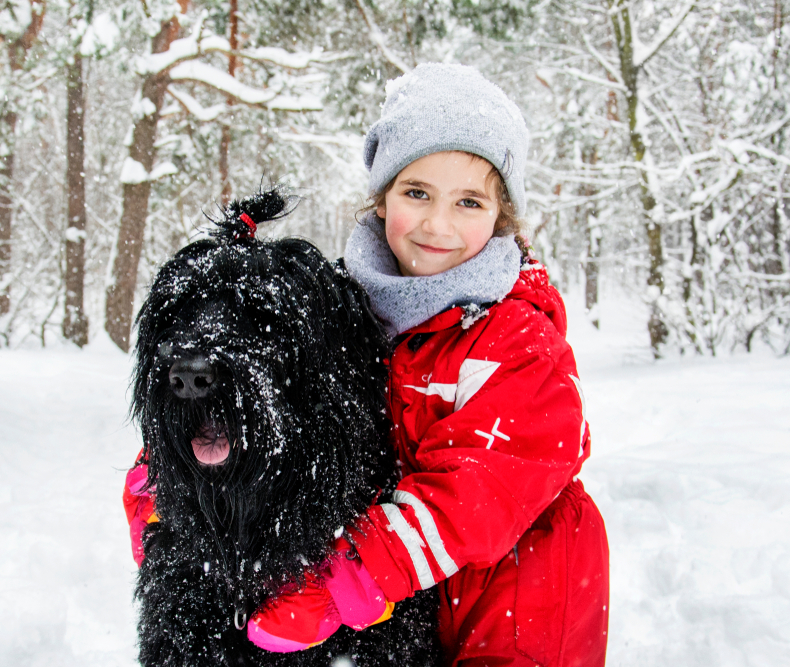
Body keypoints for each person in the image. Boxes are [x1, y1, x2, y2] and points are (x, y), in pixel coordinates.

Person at [244, 63, 609, 666]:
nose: (438, 225)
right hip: (403, 597)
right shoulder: (342, 309)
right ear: (383, 197)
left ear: (502, 217)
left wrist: (343, 584)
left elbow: (473, 492)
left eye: (468, 201)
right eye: (417, 193)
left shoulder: (518, 338)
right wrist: (165, 482)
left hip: (514, 589)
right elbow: (260, 390)